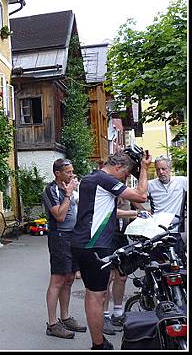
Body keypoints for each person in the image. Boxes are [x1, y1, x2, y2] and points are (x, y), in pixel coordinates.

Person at [71, 150, 152, 350]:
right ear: (117, 168)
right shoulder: (104, 179)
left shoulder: (92, 178)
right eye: (125, 175)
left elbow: (106, 211)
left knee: (94, 293)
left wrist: (134, 213)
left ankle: (98, 341)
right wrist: (145, 168)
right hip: (94, 245)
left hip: (85, 243)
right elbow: (141, 195)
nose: (125, 179)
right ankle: (98, 344)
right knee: (97, 295)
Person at [43, 158, 87, 339]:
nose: (71, 175)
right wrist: (68, 194)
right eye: (68, 172)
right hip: (60, 237)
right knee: (57, 280)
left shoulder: (69, 189)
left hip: (73, 237)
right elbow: (59, 216)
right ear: (57, 173)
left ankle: (65, 317)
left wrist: (72, 193)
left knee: (69, 278)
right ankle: (52, 324)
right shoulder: (51, 190)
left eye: (72, 171)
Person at [102, 197, 142, 334]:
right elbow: (112, 212)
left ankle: (118, 313)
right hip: (107, 236)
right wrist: (135, 213)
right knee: (108, 277)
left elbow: (132, 215)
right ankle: (104, 315)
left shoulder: (126, 196)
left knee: (122, 276)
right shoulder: (105, 194)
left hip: (121, 237)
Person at [147, 155, 187, 264]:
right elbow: (136, 197)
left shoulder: (182, 182)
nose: (161, 172)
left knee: (179, 264)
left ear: (170, 169)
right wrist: (145, 211)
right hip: (156, 231)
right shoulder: (150, 185)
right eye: (158, 169)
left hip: (174, 230)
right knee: (157, 265)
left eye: (163, 169)